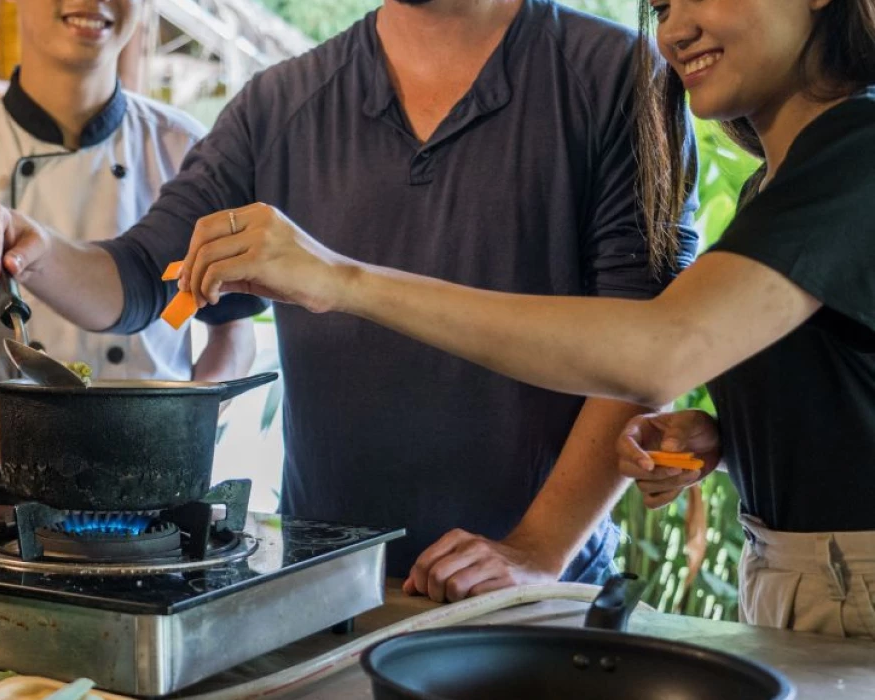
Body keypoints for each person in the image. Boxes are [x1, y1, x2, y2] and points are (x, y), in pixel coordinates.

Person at [179, 0, 875, 638]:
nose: (674, 29)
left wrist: (342, 279)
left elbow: (662, 349)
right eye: (661, 6)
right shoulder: (781, 181)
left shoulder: (857, 147)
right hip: (801, 581)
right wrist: (721, 442)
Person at [0, 0, 700, 584]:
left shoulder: (617, 78)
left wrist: (535, 551)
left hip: (541, 594)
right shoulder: (281, 103)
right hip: (333, 581)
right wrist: (34, 251)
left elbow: (641, 348)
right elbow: (142, 277)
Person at [0, 0, 259, 480]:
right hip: (3, 478)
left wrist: (189, 418)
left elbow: (233, 328)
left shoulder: (189, 152)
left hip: (157, 470)